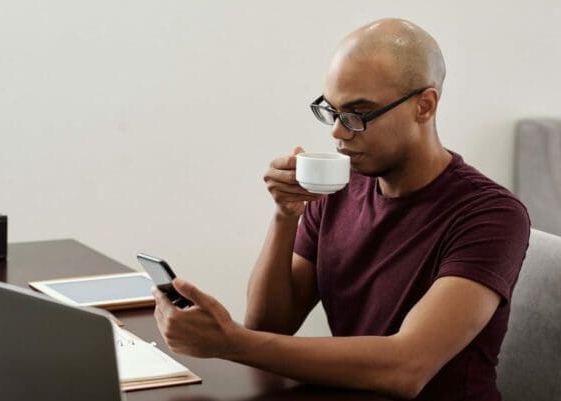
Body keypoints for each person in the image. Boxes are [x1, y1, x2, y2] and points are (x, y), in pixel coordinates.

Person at [151, 18, 530, 400]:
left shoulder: (490, 215)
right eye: (331, 111)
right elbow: (269, 325)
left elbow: (407, 366)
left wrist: (230, 342)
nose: (337, 132)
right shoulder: (339, 190)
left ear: (424, 105)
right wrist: (286, 215)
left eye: (358, 114)